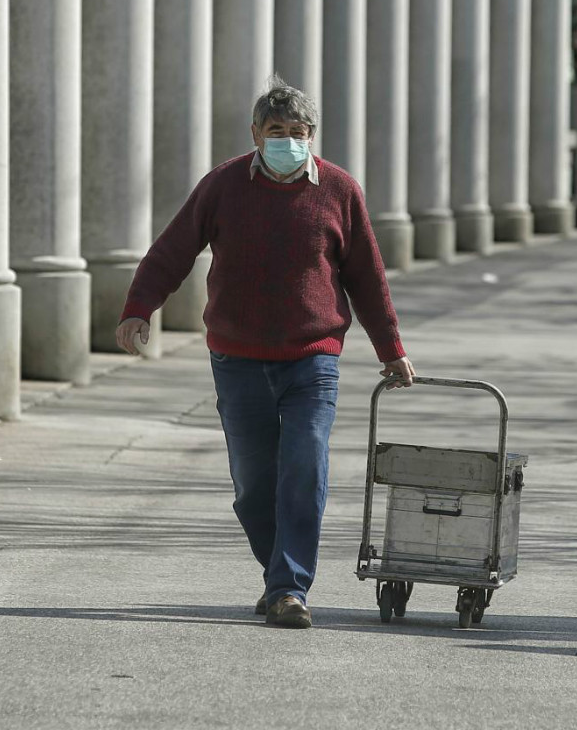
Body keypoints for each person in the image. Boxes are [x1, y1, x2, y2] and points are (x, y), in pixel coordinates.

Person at [115, 76, 414, 629]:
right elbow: (173, 249)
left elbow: (367, 277)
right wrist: (139, 306)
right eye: (277, 131)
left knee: (305, 467)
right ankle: (280, 573)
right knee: (254, 487)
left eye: (298, 132)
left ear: (313, 136)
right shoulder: (224, 185)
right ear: (255, 133)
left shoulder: (340, 191)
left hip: (312, 358)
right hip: (238, 356)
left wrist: (389, 347)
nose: (288, 141)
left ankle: (288, 588)